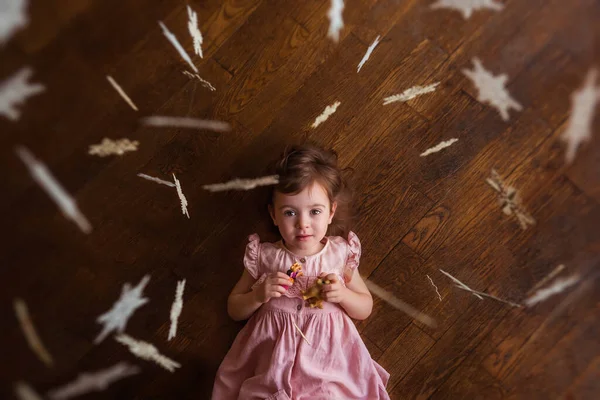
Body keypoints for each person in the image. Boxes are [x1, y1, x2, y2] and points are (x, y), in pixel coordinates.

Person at [212, 144, 390, 399]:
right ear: (274, 215)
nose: (303, 224)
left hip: (326, 358)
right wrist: (257, 295)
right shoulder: (265, 256)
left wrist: (343, 295)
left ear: (331, 212)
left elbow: (365, 308)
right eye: (290, 212)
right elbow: (234, 308)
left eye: (315, 211)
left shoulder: (339, 255)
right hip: (273, 357)